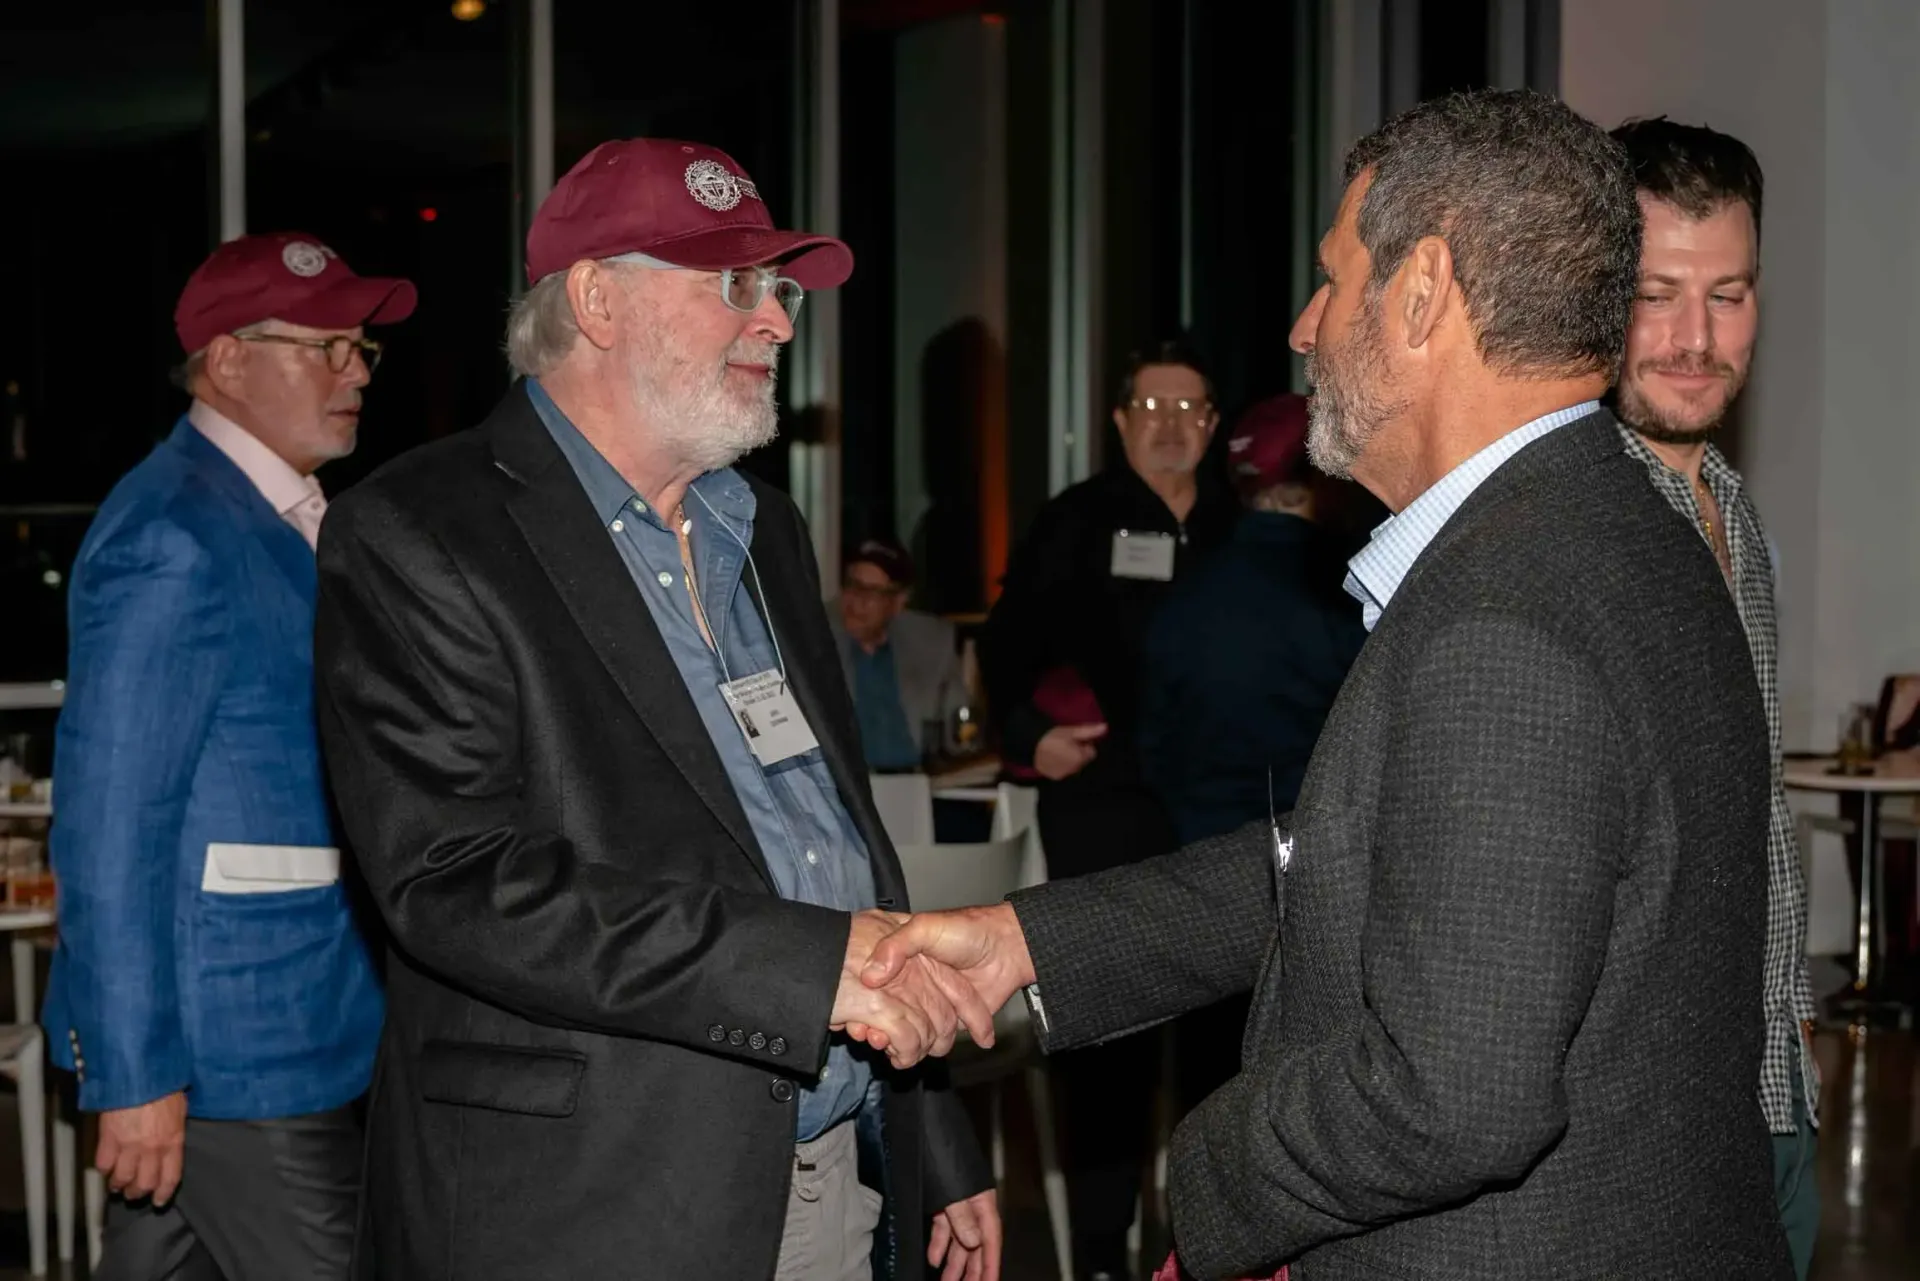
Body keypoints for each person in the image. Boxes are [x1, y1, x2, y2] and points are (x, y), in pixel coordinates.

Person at [861, 89, 1792, 1279]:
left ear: (1420, 296)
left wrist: (1205, 1174)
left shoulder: (1505, 620)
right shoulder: (1627, 529)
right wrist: (1025, 942)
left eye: (1334, 279)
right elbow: (1366, 852)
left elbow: (1452, 1097)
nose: (1305, 328)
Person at [311, 138, 997, 1281]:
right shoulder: (421, 532)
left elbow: (836, 846)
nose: (777, 322)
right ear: (594, 298)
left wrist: (927, 1124)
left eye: (779, 290)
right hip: (586, 1204)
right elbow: (456, 882)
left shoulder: (762, 529)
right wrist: (805, 969)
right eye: (737, 285)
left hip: (826, 1164)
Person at [43, 232, 408, 1280]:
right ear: (226, 359)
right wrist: (135, 1073)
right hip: (233, 1045)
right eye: (323, 347)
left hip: (291, 1016)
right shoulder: (174, 535)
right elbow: (109, 829)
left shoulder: (269, 513)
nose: (354, 374)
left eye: (361, 351)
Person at [1609, 116, 1820, 1279]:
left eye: (1729, 295)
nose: (1696, 338)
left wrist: (1787, 1038)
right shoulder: (1580, 523)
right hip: (1651, 1139)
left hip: (1771, 1092)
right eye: (1657, 293)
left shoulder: (1731, 510)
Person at [978, 339, 1236, 1279]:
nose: (1171, 426)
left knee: (1219, 1051)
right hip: (1105, 808)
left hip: (1217, 819)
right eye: (1153, 408)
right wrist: (1027, 733)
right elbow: (1005, 647)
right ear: (1122, 419)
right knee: (1108, 1042)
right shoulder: (1074, 523)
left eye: (1190, 409)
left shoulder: (1238, 526)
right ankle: (1096, 1259)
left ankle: (1206, 1253)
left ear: (1212, 426)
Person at [1138, 393, 1367, 846]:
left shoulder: (1187, 593)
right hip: (1317, 853)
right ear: (1326, 474)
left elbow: (1155, 744)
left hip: (1201, 848)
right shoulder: (1348, 593)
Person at [832, 536, 965, 771]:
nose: (857, 601)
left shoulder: (930, 642)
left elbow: (960, 733)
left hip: (917, 783)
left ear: (897, 603)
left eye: (872, 592)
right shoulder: (812, 634)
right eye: (853, 585)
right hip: (845, 785)